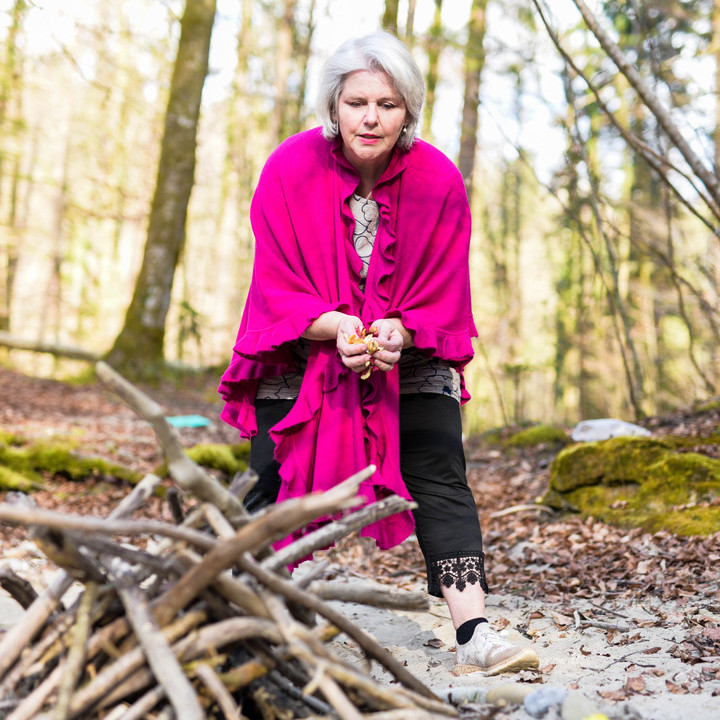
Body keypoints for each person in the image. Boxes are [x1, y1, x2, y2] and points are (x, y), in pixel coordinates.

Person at [218, 31, 539, 675]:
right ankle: (254, 614)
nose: (370, 118)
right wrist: (336, 325)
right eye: (357, 102)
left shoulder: (437, 179)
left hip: (408, 348)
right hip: (303, 345)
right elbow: (275, 283)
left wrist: (402, 331)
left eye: (387, 104)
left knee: (440, 471)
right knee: (270, 477)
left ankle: (475, 631)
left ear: (407, 110)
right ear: (333, 106)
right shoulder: (288, 168)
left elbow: (445, 288)